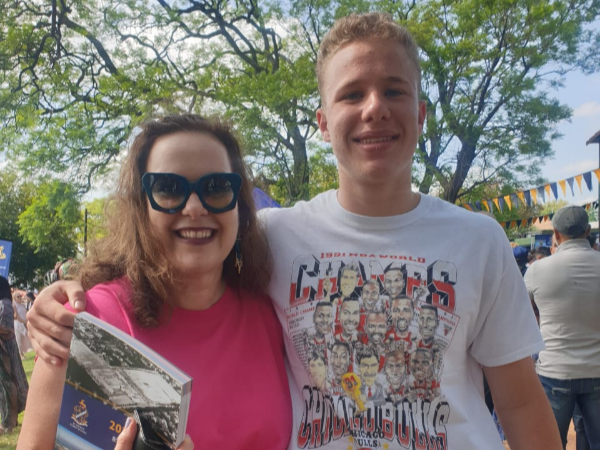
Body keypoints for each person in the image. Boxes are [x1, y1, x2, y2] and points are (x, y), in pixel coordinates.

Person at [27, 12, 562, 450]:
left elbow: (517, 402)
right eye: (352, 94)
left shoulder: (479, 239)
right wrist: (58, 299)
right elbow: (173, 251)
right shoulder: (277, 235)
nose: (374, 107)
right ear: (323, 122)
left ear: (421, 113)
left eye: (394, 91)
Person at [18, 115, 292, 449]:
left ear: (240, 205)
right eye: (168, 188)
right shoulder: (83, 324)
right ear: (140, 206)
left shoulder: (271, 314)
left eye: (217, 187)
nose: (194, 208)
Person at [524, 205, 600, 450]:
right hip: (597, 370)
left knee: (550, 443)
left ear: (555, 234)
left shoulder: (536, 270)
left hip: (554, 372)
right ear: (587, 231)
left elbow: (520, 316)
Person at [0, 276, 28, 434]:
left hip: (6, 352)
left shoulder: (4, 304)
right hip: (3, 350)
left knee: (8, 385)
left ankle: (7, 423)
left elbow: (6, 327)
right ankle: (10, 421)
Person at [12, 292, 33, 357]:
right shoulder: (14, 305)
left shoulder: (22, 305)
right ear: (15, 298)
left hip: (25, 322)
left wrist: (27, 321)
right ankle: (21, 354)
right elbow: (15, 316)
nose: (20, 298)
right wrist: (23, 321)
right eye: (18, 297)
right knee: (19, 338)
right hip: (18, 324)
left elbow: (26, 313)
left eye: (20, 296)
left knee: (28, 336)